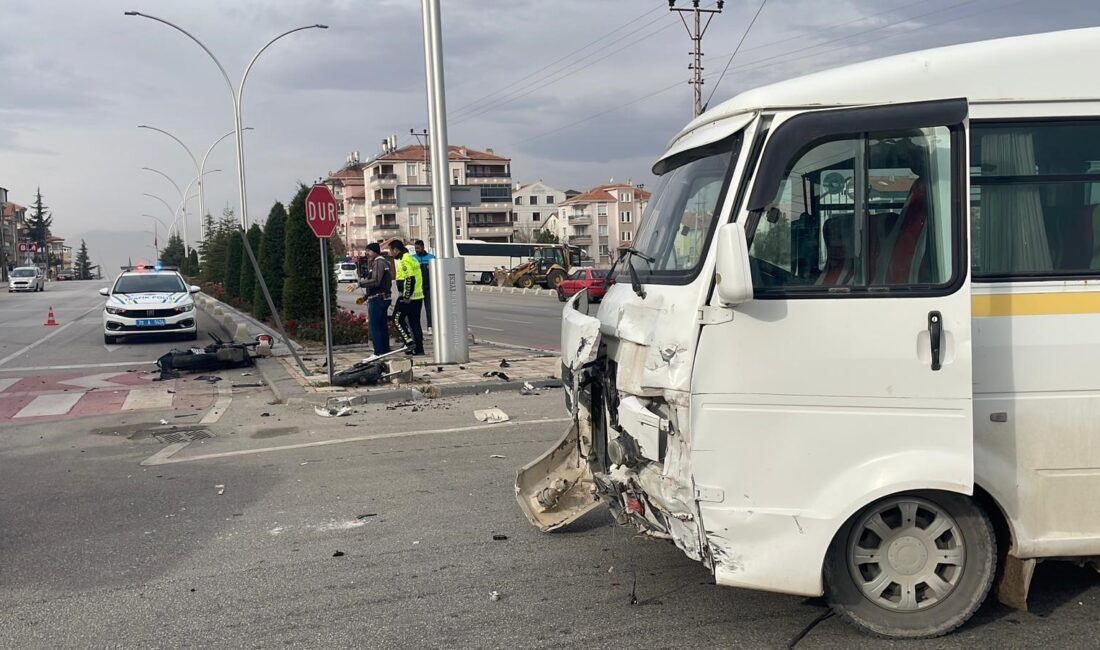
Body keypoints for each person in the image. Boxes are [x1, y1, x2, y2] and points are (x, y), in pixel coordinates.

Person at [389, 239, 425, 355]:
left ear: (396, 250)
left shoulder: (404, 260)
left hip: (408, 298)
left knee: (396, 319)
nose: (390, 253)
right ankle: (419, 348)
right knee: (415, 323)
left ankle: (409, 343)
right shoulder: (411, 258)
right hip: (418, 296)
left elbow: (410, 278)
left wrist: (407, 296)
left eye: (391, 251)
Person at [357, 243, 393, 357]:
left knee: (375, 326)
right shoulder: (383, 262)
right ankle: (384, 350)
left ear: (375, 251)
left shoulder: (378, 262)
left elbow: (376, 280)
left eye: (369, 251)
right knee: (382, 325)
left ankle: (378, 352)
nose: (367, 253)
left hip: (378, 298)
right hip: (382, 297)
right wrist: (365, 297)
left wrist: (359, 284)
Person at [412, 240, 436, 334]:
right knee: (416, 309)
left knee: (429, 308)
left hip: (428, 287)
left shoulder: (431, 258)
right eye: (415, 248)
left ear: (422, 247)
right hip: (417, 288)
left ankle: (430, 327)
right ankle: (416, 328)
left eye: (418, 248)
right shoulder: (413, 258)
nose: (416, 250)